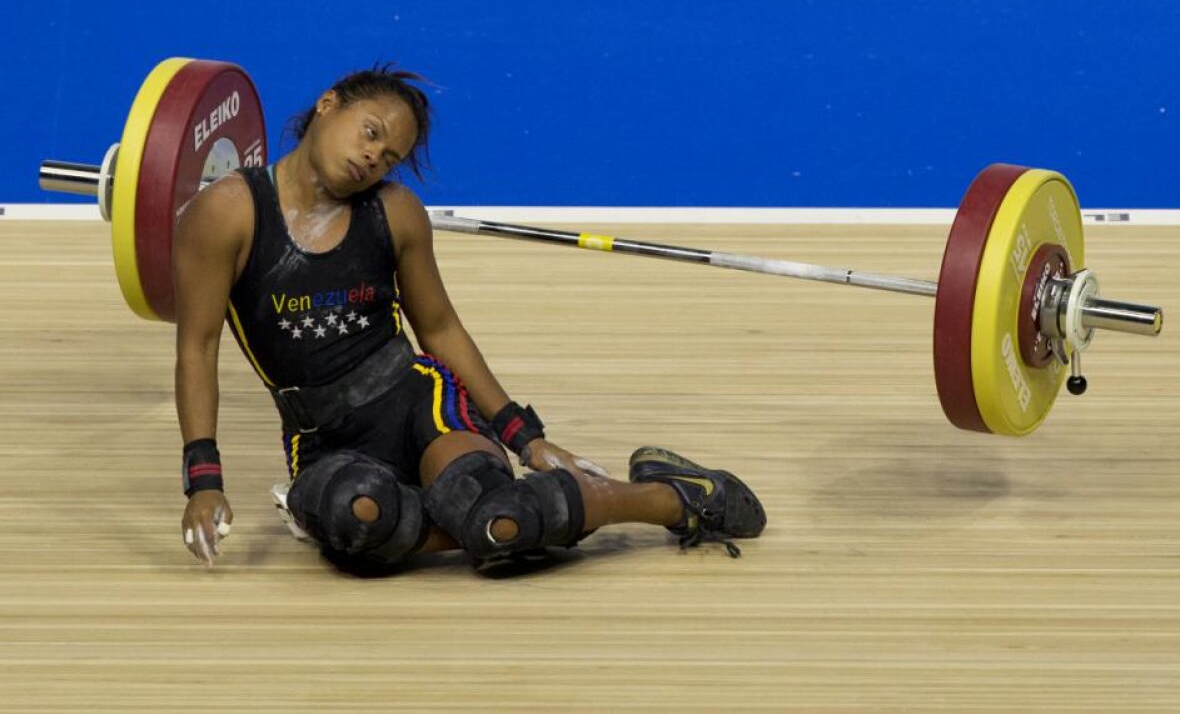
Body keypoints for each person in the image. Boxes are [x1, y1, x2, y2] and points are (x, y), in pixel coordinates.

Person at [172, 65, 766, 571]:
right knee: (360, 513)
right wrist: (204, 481)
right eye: (370, 132)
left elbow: (441, 329)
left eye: (389, 156)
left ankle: (672, 497)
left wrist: (524, 437)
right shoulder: (227, 213)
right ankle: (375, 517)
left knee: (499, 526)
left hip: (418, 404)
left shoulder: (396, 214)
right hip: (324, 437)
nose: (372, 157)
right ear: (329, 105)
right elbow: (197, 349)